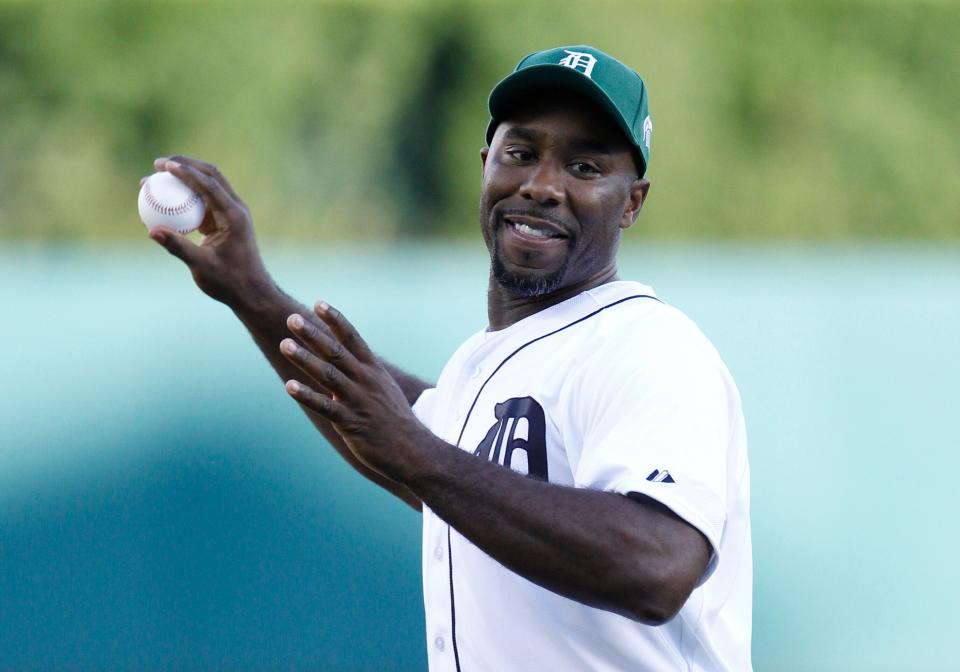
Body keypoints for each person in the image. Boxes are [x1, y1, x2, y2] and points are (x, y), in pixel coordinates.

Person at [148, 45, 752, 671]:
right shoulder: (489, 361)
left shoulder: (648, 346)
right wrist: (253, 293)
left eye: (584, 165)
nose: (543, 185)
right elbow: (408, 439)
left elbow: (658, 563)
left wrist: (420, 454)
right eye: (520, 153)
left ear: (632, 201)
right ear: (485, 164)